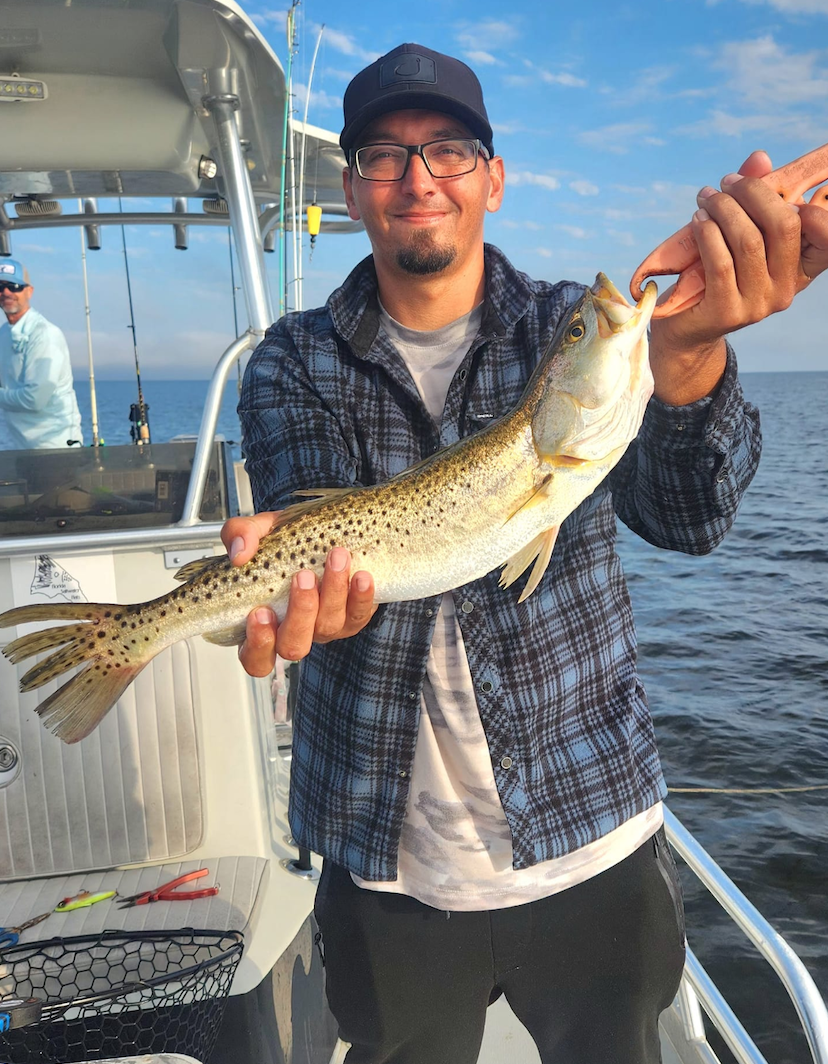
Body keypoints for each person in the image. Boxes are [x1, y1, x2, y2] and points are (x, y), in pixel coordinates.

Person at [223, 44, 827, 1064]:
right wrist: (289, 589)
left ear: (493, 178)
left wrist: (687, 360)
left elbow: (691, 516)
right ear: (353, 185)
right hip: (388, 869)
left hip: (596, 841)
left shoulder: (563, 325)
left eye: (451, 150)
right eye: (385, 153)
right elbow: (314, 532)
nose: (420, 178)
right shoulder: (291, 358)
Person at [0, 259, 83, 449]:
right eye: (1, 286)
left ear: (29, 291)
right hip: (20, 449)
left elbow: (34, 399)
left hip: (56, 450)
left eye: (14, 286)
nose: (6, 292)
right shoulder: (4, 334)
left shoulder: (45, 334)